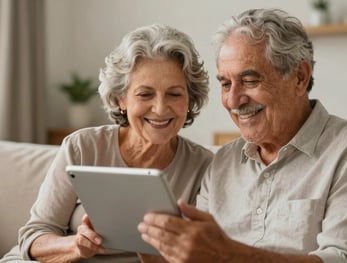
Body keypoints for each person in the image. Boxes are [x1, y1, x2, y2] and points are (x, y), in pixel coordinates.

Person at [137, 8, 347, 263]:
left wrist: (228, 256)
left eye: (250, 81)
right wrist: (145, 239)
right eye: (225, 84)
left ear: (299, 77)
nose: (233, 100)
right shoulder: (222, 162)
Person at [2, 24, 213, 262]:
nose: (161, 108)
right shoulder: (82, 147)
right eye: (145, 94)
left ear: (190, 99)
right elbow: (34, 237)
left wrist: (151, 247)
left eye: (175, 94)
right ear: (120, 99)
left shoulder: (203, 167)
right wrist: (77, 245)